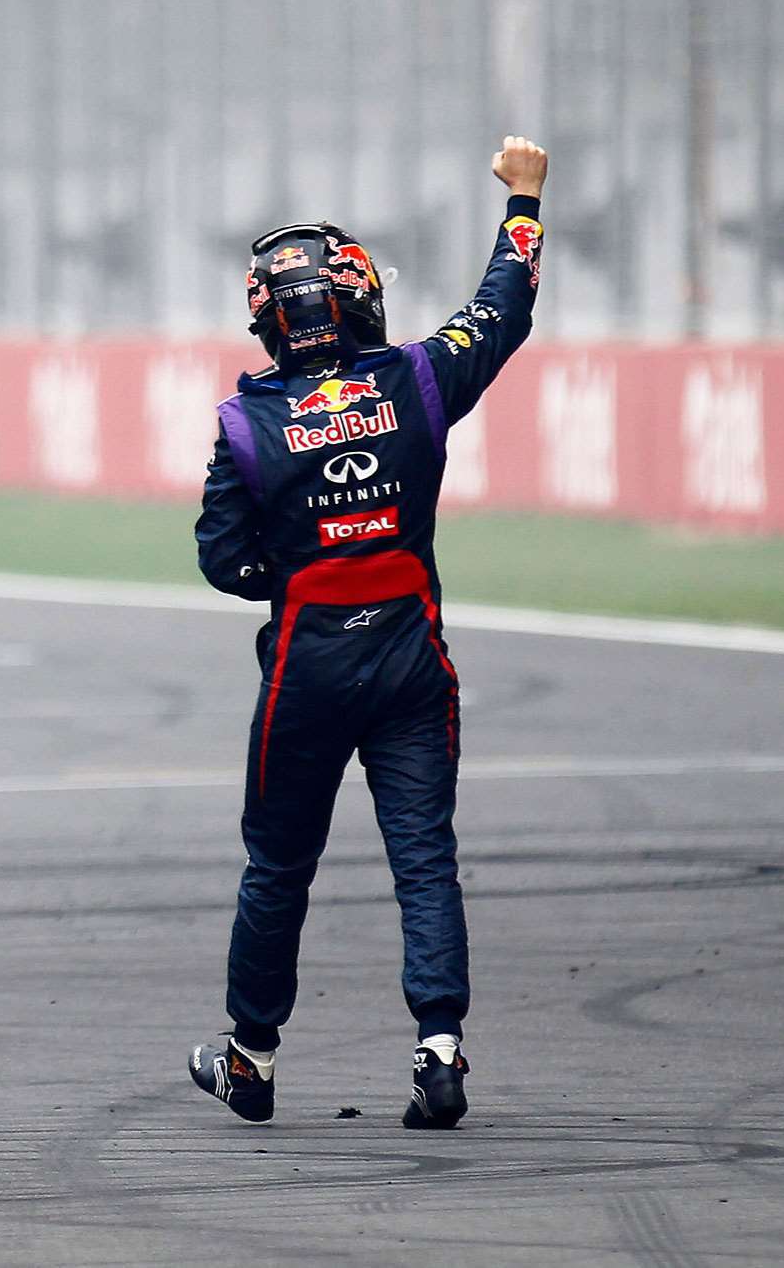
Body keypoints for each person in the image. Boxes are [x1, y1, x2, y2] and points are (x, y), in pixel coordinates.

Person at [189, 135, 549, 1129]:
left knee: (276, 866)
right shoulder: (416, 383)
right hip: (408, 662)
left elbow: (221, 559)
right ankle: (438, 1050)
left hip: (305, 670)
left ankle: (250, 1057)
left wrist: (299, 567)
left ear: (268, 318)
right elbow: (501, 307)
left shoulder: (243, 424)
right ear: (354, 298)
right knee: (422, 856)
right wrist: (521, 197)